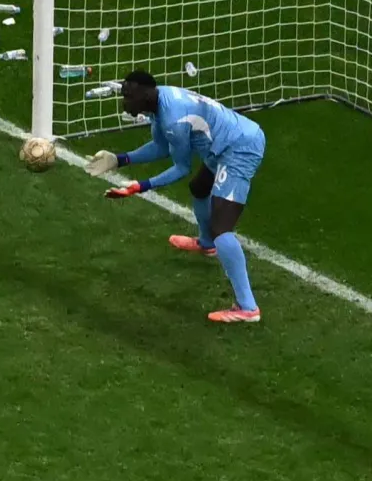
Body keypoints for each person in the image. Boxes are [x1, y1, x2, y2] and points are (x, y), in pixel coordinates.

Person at [86, 71, 265, 324]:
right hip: (223, 143)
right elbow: (160, 147)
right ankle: (206, 245)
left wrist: (140, 186)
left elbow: (181, 167)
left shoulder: (173, 117)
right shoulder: (161, 102)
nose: (126, 103)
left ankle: (248, 308)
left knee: (222, 227)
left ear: (147, 93)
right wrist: (120, 159)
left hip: (238, 149)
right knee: (200, 189)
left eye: (130, 96)